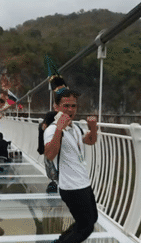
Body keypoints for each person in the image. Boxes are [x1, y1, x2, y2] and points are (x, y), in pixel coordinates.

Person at [44, 88, 98, 243]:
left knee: (91, 219)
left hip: (83, 182)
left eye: (73, 106)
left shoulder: (75, 127)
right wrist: (59, 129)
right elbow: (49, 154)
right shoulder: (52, 130)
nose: (70, 109)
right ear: (56, 107)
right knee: (86, 227)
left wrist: (93, 127)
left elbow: (89, 141)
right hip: (71, 186)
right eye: (66, 106)